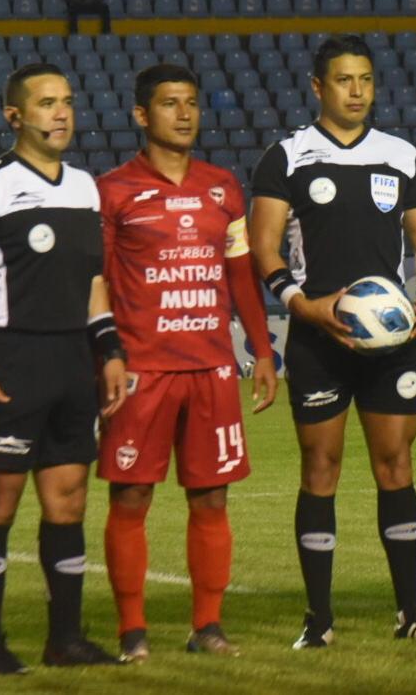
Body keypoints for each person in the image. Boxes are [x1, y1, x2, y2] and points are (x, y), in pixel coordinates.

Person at [250, 34, 416, 648]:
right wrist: (302, 305)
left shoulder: (402, 155)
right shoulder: (286, 157)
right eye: (344, 80)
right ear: (318, 87)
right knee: (321, 469)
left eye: (365, 79)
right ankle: (319, 619)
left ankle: (412, 611)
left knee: (397, 465)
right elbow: (264, 247)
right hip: (318, 337)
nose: (357, 91)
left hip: (390, 341)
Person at [0, 63, 127, 673]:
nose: (61, 113)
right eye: (47, 103)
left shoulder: (84, 187)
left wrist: (110, 353)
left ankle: (65, 640)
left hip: (73, 362)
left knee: (67, 503)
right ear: (14, 116)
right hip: (9, 361)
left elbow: (95, 282)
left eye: (67, 101)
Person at [97, 64, 278, 661]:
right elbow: (96, 280)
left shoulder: (223, 188)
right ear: (142, 116)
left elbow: (241, 277)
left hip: (210, 368)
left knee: (212, 498)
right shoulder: (114, 191)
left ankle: (208, 625)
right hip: (142, 371)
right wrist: (105, 355)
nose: (184, 113)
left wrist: (262, 349)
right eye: (170, 104)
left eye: (192, 103)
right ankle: (132, 631)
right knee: (130, 498)